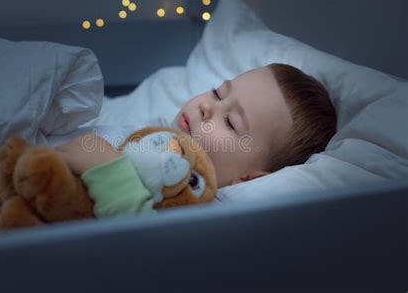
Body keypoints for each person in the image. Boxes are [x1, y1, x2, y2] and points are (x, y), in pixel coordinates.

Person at [55, 63, 337, 216]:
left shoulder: (198, 207)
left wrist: (112, 176)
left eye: (230, 122)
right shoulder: (151, 133)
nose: (207, 107)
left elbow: (149, 251)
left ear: (248, 178)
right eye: (217, 93)